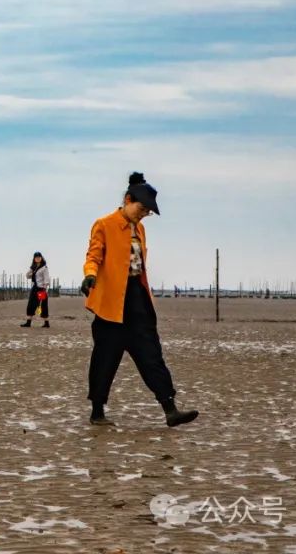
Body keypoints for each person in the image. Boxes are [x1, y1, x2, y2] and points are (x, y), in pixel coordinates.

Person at [81, 172, 198, 428]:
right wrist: (90, 276)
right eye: (142, 209)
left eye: (147, 212)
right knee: (104, 358)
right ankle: (97, 412)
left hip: (137, 300)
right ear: (127, 200)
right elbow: (93, 255)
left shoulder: (141, 230)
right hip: (111, 304)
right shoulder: (104, 224)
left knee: (151, 354)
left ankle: (170, 409)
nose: (143, 215)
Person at [21, 252, 51, 328]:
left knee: (43, 305)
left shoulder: (44, 267)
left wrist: (44, 289)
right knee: (31, 304)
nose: (38, 258)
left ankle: (46, 323)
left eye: (39, 257)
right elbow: (27, 276)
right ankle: (28, 322)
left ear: (41, 258)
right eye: (36, 257)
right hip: (35, 288)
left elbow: (47, 279)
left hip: (42, 289)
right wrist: (32, 271)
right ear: (34, 259)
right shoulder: (33, 267)